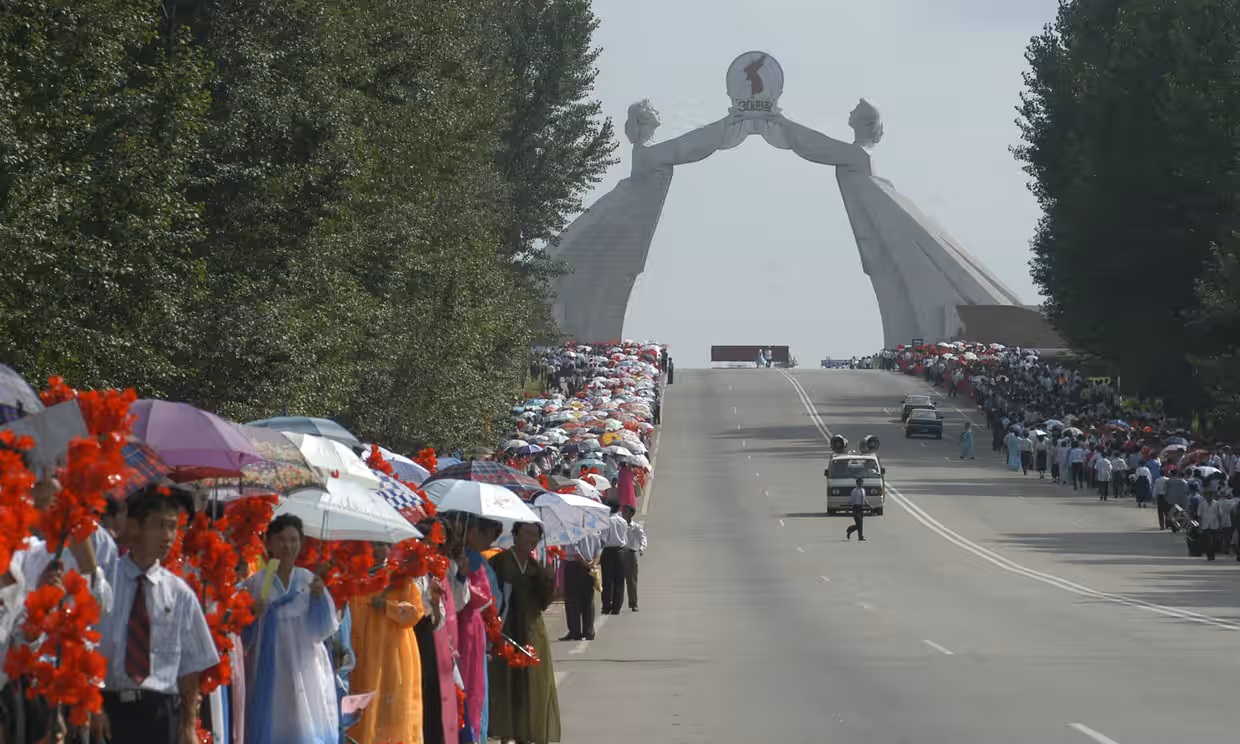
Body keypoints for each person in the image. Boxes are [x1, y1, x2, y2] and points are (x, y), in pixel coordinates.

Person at [95, 485, 219, 744]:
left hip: (160, 713)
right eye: (159, 525)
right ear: (135, 526)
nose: (168, 535)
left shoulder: (180, 593)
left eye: (173, 526)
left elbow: (190, 667)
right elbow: (85, 646)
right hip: (109, 709)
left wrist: (188, 727)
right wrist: (92, 707)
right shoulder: (104, 582)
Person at [242, 514, 340, 744]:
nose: (288, 546)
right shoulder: (255, 584)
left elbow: (324, 629)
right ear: (269, 542)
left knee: (306, 721)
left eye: (293, 539)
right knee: (275, 719)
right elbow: (242, 634)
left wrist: (319, 600)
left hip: (305, 665)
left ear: (301, 542)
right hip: (270, 666)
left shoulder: (309, 581)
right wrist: (252, 614)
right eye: (281, 539)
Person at [488, 522, 561, 744]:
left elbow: (544, 603)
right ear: (516, 533)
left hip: (531, 630)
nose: (531, 539)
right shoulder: (499, 562)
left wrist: (549, 580)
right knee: (505, 682)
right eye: (526, 533)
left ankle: (525, 735)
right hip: (506, 629)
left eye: (535, 536)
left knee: (531, 685)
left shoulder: (537, 567)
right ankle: (506, 736)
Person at [347, 541, 425, 744]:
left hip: (392, 655)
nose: (378, 550)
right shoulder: (352, 576)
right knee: (361, 712)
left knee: (390, 711)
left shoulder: (400, 579)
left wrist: (388, 607)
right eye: (373, 545)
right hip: (360, 655)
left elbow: (415, 613)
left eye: (383, 545)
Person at [560, 530, 600, 641]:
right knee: (588, 599)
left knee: (573, 600)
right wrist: (593, 564)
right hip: (590, 566)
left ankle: (575, 631)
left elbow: (575, 552)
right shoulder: (594, 532)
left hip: (575, 566)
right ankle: (589, 631)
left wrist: (586, 564)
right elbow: (598, 551)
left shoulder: (573, 533)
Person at [599, 502, 628, 615]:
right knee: (619, 581)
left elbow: (603, 538)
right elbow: (624, 537)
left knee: (607, 581)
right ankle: (617, 607)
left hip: (608, 552)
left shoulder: (607, 521)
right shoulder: (623, 521)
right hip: (621, 551)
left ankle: (606, 606)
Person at [620, 505, 647, 612]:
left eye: (626, 512)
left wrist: (641, 547)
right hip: (619, 553)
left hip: (630, 554)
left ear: (631, 514)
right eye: (623, 511)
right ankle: (616, 604)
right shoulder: (619, 525)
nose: (623, 514)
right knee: (617, 580)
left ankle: (633, 603)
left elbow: (642, 537)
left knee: (631, 581)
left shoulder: (635, 527)